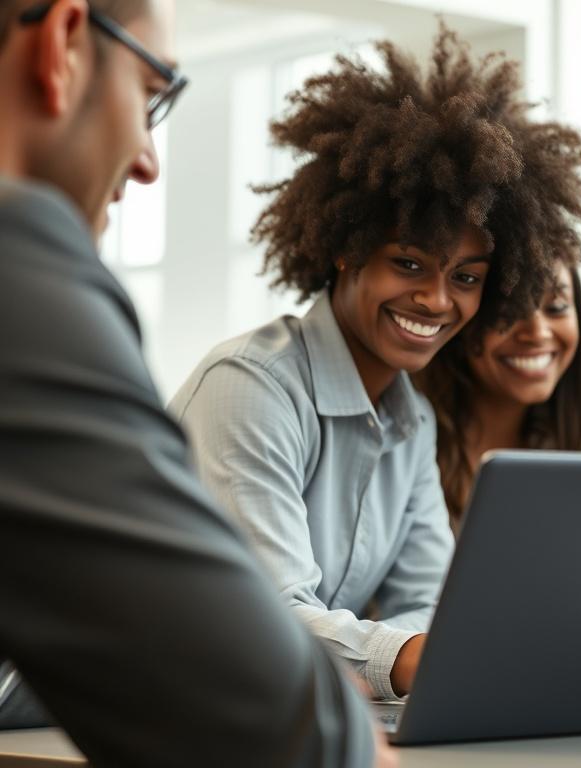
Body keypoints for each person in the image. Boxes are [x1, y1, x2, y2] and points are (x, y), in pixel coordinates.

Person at [0, 0, 390, 765]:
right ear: (63, 45)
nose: (147, 157)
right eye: (150, 95)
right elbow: (281, 732)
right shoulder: (17, 269)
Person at [169, 27, 581, 700]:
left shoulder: (411, 418)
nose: (436, 299)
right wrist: (408, 658)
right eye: (408, 263)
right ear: (347, 248)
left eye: (466, 277)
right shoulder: (250, 388)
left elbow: (433, 604)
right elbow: (262, 615)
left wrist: (436, 649)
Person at [416, 262, 581, 527]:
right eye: (508, 311)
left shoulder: (578, 456)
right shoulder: (411, 448)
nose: (537, 333)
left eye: (556, 307)